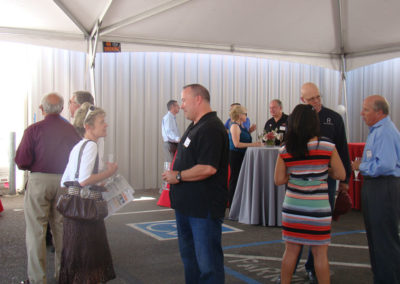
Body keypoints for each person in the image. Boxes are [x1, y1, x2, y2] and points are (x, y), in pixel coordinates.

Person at [162, 84, 229, 283]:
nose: (181, 106)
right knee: (191, 261)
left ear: (198, 99)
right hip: (188, 207)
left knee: (208, 265)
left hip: (203, 210)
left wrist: (178, 176)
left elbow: (208, 168)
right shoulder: (197, 125)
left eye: (184, 100)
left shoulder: (211, 128)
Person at [274, 104, 345, 284]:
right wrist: (324, 171)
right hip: (318, 208)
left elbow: (279, 180)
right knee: (320, 254)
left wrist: (296, 175)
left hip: (293, 206)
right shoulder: (327, 146)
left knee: (290, 251)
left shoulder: (285, 149)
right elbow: (341, 174)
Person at [15, 93, 81, 284]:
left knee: (36, 231)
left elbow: (21, 161)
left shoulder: (33, 130)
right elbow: (77, 158)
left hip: (39, 181)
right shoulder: (71, 131)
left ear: (42, 109)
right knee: (61, 229)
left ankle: (36, 279)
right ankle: (63, 276)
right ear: (61, 109)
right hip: (63, 181)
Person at [59, 102, 118, 283]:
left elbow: (67, 179)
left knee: (75, 257)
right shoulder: (91, 146)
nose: (105, 124)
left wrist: (99, 182)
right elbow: (84, 179)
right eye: (102, 121)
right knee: (89, 257)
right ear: (88, 127)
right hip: (86, 213)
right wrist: (109, 172)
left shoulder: (79, 146)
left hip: (73, 212)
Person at [299, 82, 351, 282]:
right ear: (303, 100)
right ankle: (292, 264)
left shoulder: (334, 118)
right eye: (311, 99)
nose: (316, 101)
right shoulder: (299, 119)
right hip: (301, 182)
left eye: (318, 97)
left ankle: (312, 267)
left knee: (320, 226)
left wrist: (345, 179)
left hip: (327, 181)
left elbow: (343, 149)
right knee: (299, 224)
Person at [352, 95, 400, 284]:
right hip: (378, 186)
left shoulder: (384, 132)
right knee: (377, 239)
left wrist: (361, 167)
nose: (361, 113)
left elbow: (386, 165)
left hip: (383, 186)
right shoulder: (378, 131)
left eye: (366, 109)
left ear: (379, 112)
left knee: (383, 241)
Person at [228, 105, 262, 207]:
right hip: (236, 155)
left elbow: (243, 137)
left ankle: (240, 204)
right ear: (239, 115)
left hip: (242, 155)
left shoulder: (241, 126)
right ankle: (233, 204)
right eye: (245, 114)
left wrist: (250, 131)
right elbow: (236, 144)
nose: (246, 116)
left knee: (241, 179)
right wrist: (253, 144)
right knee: (235, 179)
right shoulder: (234, 126)